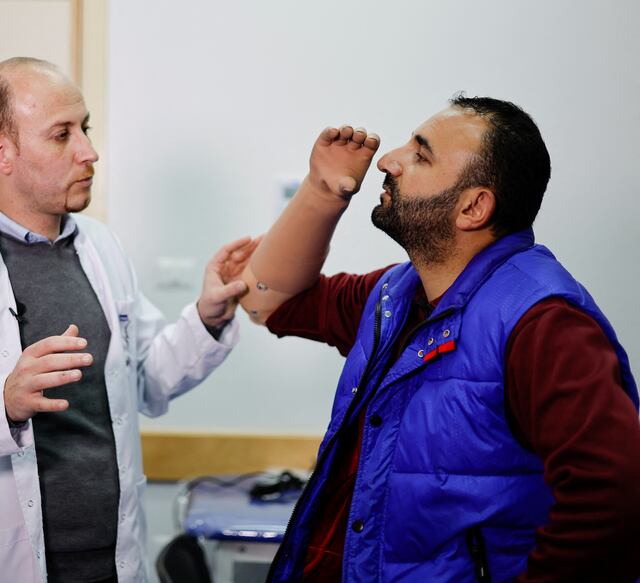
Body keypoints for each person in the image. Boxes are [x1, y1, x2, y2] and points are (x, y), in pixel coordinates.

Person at [0, 57, 248, 583]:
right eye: (62, 135)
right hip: (0, 568)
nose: (88, 151)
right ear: (1, 153)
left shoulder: (102, 248)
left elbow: (143, 381)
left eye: (85, 128)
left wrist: (206, 318)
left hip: (113, 564)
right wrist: (1, 404)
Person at [224, 96, 640, 582]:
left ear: (473, 207)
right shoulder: (396, 294)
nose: (387, 160)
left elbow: (617, 496)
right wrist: (322, 191)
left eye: (420, 155)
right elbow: (266, 300)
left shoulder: (542, 321)